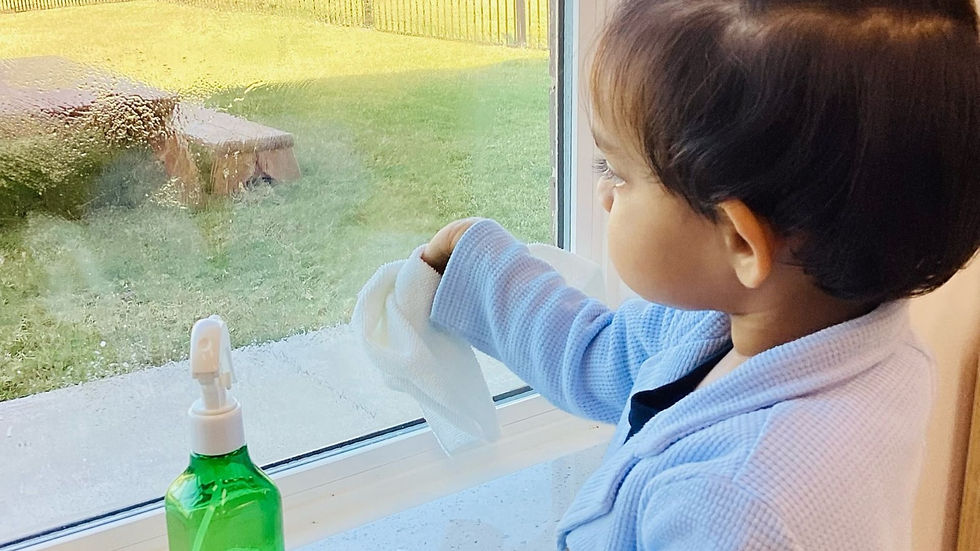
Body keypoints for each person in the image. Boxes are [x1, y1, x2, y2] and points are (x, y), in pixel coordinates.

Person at [420, 0, 980, 549]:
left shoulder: (734, 503)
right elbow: (601, 355)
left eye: (616, 171)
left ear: (739, 239)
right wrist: (480, 266)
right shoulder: (836, 335)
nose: (603, 193)